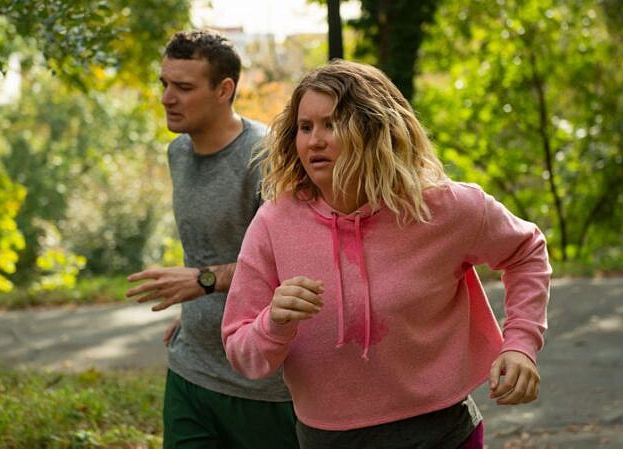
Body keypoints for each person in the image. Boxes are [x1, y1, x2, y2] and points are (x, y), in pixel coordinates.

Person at [221, 60, 552, 449]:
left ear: (374, 128)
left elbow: (526, 251)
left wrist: (521, 344)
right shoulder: (274, 223)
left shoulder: (443, 208)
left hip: (441, 433)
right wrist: (273, 323)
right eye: (305, 127)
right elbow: (242, 353)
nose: (314, 141)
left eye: (332, 124)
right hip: (329, 440)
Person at [125, 30, 297, 449]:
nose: (167, 98)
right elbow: (208, 249)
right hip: (191, 369)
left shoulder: (267, 158)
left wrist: (203, 281)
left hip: (261, 384)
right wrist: (196, 313)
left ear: (224, 90)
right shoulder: (178, 153)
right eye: (164, 84)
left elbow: (290, 264)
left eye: (183, 88)